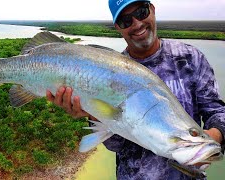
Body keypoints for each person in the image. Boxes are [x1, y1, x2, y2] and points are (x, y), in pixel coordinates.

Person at [46, 0, 225, 179]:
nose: (137, 24)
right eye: (126, 20)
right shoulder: (110, 69)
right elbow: (117, 146)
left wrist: (213, 136)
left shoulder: (189, 59)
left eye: (141, 12)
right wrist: (95, 115)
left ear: (152, 9)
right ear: (118, 27)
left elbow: (217, 111)